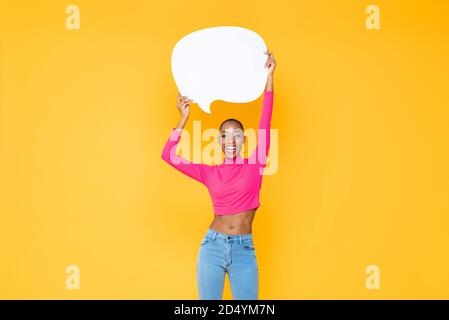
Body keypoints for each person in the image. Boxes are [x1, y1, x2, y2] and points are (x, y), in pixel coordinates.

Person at [161, 50, 276, 299]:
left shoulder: (256, 162)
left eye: (237, 135)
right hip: (212, 247)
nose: (231, 140)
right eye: (225, 135)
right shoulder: (209, 172)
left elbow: (265, 119)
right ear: (219, 141)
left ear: (244, 140)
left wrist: (269, 77)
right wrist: (183, 119)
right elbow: (168, 155)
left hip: (244, 249)